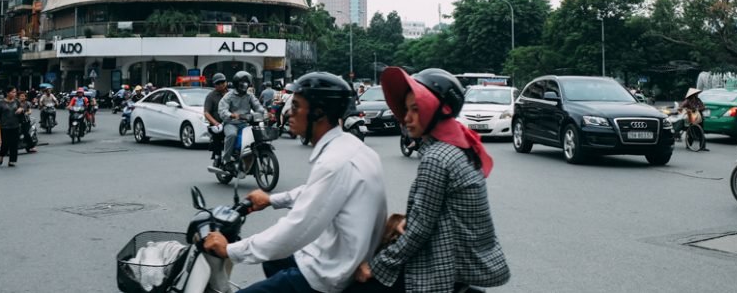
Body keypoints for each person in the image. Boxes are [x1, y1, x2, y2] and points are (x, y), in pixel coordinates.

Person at [202, 72, 388, 293]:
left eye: (298, 106)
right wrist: (272, 199)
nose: (289, 112)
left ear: (319, 113)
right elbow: (317, 192)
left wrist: (230, 250)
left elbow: (296, 229)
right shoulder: (350, 147)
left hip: (329, 273)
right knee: (272, 261)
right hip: (341, 252)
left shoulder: (335, 162)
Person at [355, 67, 509, 293]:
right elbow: (438, 213)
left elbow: (419, 231)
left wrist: (376, 266)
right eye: (406, 109)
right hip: (463, 265)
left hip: (443, 270)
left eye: (416, 109)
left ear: (436, 111)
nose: (406, 117)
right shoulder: (460, 147)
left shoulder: (437, 158)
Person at [217, 71, 265, 165]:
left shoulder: (249, 96)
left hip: (245, 124)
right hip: (231, 123)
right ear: (236, 84)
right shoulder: (229, 96)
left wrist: (263, 112)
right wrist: (231, 115)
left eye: (246, 83)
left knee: (257, 135)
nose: (244, 85)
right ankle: (226, 159)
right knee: (232, 135)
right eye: (242, 83)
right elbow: (222, 110)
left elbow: (257, 106)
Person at [0, 86, 23, 167]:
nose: (14, 94)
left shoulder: (16, 101)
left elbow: (22, 107)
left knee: (14, 143)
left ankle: (12, 160)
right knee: (5, 143)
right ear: (7, 93)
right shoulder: (1, 103)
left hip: (15, 125)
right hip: (5, 126)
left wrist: (21, 109)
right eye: (13, 92)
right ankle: (1, 155)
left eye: (15, 92)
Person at [203, 73, 228, 162]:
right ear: (214, 85)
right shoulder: (211, 96)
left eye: (222, 82)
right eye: (218, 83)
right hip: (218, 124)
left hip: (232, 122)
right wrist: (215, 123)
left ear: (226, 82)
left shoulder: (232, 94)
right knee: (218, 132)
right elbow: (206, 113)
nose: (221, 85)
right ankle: (217, 156)